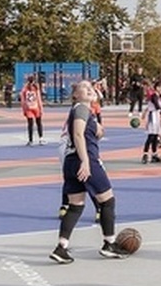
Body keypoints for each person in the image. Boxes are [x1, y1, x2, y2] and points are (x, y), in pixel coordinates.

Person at [50, 81, 128, 263]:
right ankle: (109, 243)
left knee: (75, 206)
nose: (89, 89)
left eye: (91, 87)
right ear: (75, 95)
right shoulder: (81, 109)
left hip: (70, 161)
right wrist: (85, 160)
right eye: (84, 87)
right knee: (108, 201)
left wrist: (97, 130)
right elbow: (78, 134)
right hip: (85, 160)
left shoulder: (86, 112)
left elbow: (86, 132)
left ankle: (61, 247)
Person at [141, 89, 161, 164]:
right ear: (158, 87)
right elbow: (157, 106)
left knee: (155, 137)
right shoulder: (154, 96)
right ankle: (145, 154)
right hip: (153, 116)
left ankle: (154, 155)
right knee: (151, 136)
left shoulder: (157, 96)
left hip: (156, 115)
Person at [21, 74, 46, 146]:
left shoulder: (24, 89)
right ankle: (41, 139)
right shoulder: (36, 88)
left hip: (29, 108)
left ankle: (30, 140)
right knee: (39, 123)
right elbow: (39, 99)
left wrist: (24, 110)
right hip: (36, 107)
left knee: (30, 124)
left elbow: (23, 101)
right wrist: (41, 108)